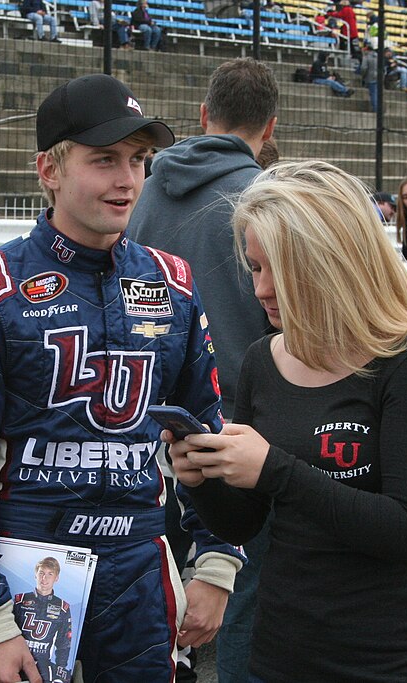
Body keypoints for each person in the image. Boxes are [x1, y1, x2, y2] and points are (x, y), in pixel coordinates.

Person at [0, 73, 244, 683]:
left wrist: (216, 565)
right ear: (49, 170)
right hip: (21, 574)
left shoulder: (173, 282)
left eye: (139, 160)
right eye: (104, 160)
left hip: (142, 571)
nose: (127, 180)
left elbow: (208, 431)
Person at [166, 159, 407, 682]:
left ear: (332, 261)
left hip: (393, 663)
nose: (261, 289)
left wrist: (273, 469)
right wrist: (204, 479)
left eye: (280, 268)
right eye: (256, 267)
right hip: (281, 655)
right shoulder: (264, 359)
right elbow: (246, 523)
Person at [126, 58, 278, 683]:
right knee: (241, 603)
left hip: (143, 425)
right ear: (269, 127)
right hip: (240, 433)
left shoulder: (141, 190)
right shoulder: (268, 199)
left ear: (202, 115)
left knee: (145, 605)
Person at [12, 557, 73, 683]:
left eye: (50, 574)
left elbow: (64, 643)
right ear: (35, 575)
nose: (44, 578)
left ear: (56, 578)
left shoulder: (62, 607)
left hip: (43, 665)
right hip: (16, 661)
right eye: (41, 573)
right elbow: (7, 632)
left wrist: (61, 668)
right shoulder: (19, 600)